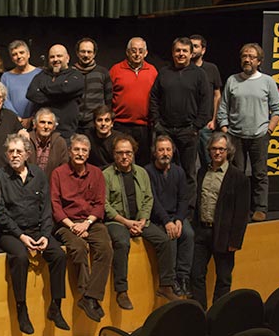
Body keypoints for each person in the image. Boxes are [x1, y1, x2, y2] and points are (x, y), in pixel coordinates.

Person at [0, 134, 69, 334]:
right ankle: (21, 308)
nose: (15, 155)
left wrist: (45, 234)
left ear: (28, 154)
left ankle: (56, 306)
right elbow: (0, 214)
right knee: (19, 257)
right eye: (11, 151)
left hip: (37, 230)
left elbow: (46, 208)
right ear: (6, 154)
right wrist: (21, 236)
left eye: (19, 151)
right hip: (11, 233)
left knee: (59, 255)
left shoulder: (38, 174)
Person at [103, 134, 179, 310]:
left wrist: (142, 220)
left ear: (133, 153)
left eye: (128, 153)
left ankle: (166, 286)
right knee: (121, 242)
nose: (124, 156)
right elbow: (105, 205)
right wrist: (127, 223)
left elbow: (148, 199)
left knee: (164, 240)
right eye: (120, 153)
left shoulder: (141, 172)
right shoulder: (106, 175)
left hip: (140, 220)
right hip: (117, 221)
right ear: (114, 155)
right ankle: (121, 291)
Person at [50, 134, 113, 322]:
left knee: (105, 248)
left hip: (91, 222)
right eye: (76, 149)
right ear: (70, 152)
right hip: (66, 223)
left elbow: (100, 204)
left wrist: (86, 224)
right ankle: (88, 295)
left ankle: (89, 297)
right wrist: (73, 226)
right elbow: (55, 206)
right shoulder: (58, 173)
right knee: (78, 248)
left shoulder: (96, 173)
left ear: (88, 154)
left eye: (83, 150)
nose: (79, 153)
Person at [217, 43, 279, 222]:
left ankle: (260, 208)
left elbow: (277, 109)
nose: (247, 59)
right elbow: (223, 108)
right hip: (235, 136)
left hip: (259, 136)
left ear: (259, 61)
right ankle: (240, 209)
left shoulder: (267, 81)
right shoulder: (232, 80)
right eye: (244, 56)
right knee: (237, 175)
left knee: (259, 174)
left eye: (251, 57)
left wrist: (268, 130)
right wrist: (225, 130)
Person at [149, 37, 212, 216]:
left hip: (188, 131)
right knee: (164, 169)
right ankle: (166, 207)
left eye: (185, 51)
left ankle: (187, 210)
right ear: (173, 52)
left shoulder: (199, 74)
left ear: (191, 54)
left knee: (188, 172)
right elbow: (154, 98)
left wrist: (196, 127)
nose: (181, 54)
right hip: (166, 130)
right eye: (178, 50)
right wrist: (157, 123)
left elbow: (206, 102)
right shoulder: (164, 73)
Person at [191, 132, 250, 310]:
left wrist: (235, 241)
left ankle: (218, 315)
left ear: (228, 151)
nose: (217, 152)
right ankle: (200, 313)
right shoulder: (202, 172)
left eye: (221, 149)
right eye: (214, 149)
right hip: (202, 232)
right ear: (209, 150)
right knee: (196, 275)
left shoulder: (238, 177)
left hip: (224, 235)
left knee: (223, 278)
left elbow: (242, 213)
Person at [144, 135, 193, 297]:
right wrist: (167, 222)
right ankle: (170, 282)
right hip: (158, 218)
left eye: (168, 149)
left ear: (172, 152)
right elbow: (153, 201)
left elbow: (183, 198)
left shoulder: (179, 171)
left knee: (188, 234)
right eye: (161, 150)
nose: (165, 153)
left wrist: (179, 219)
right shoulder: (148, 172)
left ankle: (182, 277)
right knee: (171, 237)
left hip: (176, 216)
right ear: (154, 152)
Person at [109, 37, 157, 166]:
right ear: (127, 52)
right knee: (120, 161)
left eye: (140, 51)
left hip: (144, 126)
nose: (137, 54)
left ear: (146, 53)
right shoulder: (116, 70)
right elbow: (108, 96)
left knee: (144, 163)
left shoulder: (152, 71)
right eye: (133, 51)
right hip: (120, 124)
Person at [27, 44, 84, 139]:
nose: (55, 59)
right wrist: (63, 97)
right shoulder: (42, 75)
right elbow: (31, 94)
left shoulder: (76, 75)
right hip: (42, 132)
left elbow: (66, 89)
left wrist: (44, 89)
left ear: (67, 58)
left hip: (66, 132)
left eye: (59, 56)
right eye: (52, 57)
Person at [190, 34, 223, 166]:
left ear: (203, 50)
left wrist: (214, 120)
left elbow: (217, 95)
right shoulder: (183, 69)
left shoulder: (211, 69)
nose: (192, 49)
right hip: (188, 124)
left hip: (206, 125)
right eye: (190, 46)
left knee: (208, 161)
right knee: (188, 163)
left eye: (196, 46)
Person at [73, 37, 112, 134]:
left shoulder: (103, 73)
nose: (86, 55)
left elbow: (109, 100)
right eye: (83, 51)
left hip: (94, 123)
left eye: (89, 52)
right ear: (77, 53)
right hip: (74, 123)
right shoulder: (71, 73)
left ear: (94, 54)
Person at [1, 40, 42, 128]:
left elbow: (42, 98)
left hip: (36, 123)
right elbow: (5, 99)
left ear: (28, 54)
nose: (18, 56)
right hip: (12, 122)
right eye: (14, 54)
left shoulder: (40, 74)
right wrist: (16, 117)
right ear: (12, 58)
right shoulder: (6, 77)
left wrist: (32, 118)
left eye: (21, 52)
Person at [27, 108, 68, 179]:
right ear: (35, 124)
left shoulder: (60, 143)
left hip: (51, 186)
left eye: (49, 123)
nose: (46, 126)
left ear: (54, 127)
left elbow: (64, 170)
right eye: (42, 122)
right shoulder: (26, 140)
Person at [87, 104, 124, 169]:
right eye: (99, 120)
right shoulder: (88, 137)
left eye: (107, 120)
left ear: (112, 123)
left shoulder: (120, 139)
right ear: (94, 123)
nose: (103, 124)